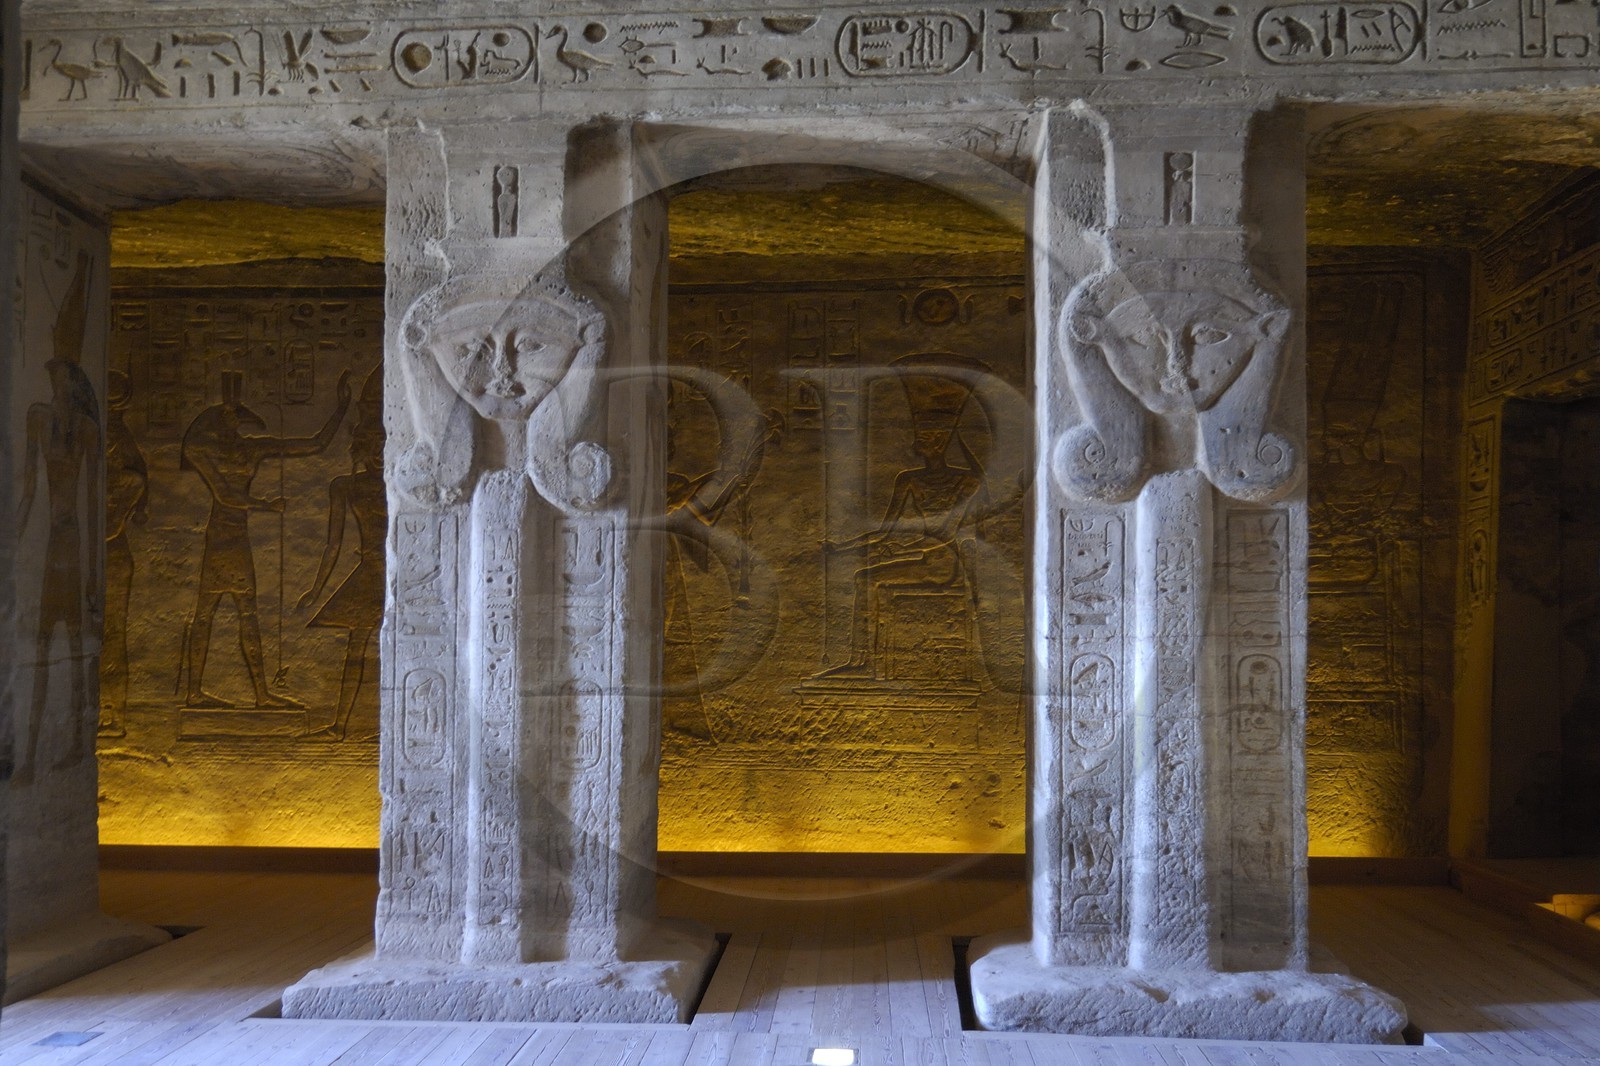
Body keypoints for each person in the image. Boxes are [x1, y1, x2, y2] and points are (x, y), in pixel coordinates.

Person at [180, 367, 351, 708]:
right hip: (220, 537)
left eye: (235, 416)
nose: (230, 422)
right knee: (206, 612)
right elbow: (225, 496)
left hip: (237, 537)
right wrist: (266, 505)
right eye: (224, 415)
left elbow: (315, 444)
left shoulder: (251, 450)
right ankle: (194, 692)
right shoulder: (203, 452)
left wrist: (342, 408)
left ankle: (260, 694)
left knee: (247, 612)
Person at [17, 252, 101, 781]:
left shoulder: (89, 433)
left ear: (73, 379)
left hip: (74, 549)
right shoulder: (38, 421)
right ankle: (27, 756)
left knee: (74, 654)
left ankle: (75, 745)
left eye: (61, 375)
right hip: (52, 549)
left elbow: (93, 508)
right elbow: (28, 493)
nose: (55, 383)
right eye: (51, 374)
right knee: (42, 652)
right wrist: (10, 547)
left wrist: (95, 578)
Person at [299, 368, 384, 740]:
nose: (379, 454)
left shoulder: (403, 484)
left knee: (401, 647)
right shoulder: (345, 486)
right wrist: (317, 591)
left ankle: (391, 729)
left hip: (403, 575)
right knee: (357, 649)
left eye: (385, 445)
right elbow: (332, 545)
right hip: (370, 572)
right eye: (373, 445)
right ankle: (340, 726)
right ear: (362, 446)